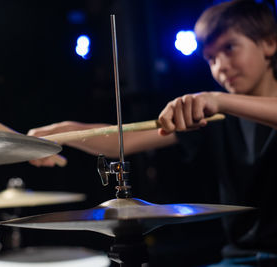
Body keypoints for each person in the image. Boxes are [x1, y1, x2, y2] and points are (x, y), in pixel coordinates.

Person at [28, 0, 277, 266]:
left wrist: (217, 98)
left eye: (229, 48)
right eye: (211, 58)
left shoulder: (217, 104)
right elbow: (124, 140)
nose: (220, 66)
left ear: (269, 43)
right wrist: (63, 132)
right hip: (240, 260)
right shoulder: (215, 118)